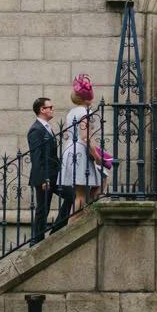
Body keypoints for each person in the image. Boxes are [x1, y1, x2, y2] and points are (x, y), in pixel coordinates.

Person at [60, 74, 106, 213]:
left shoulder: (71, 112)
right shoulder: (86, 112)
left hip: (70, 149)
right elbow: (85, 137)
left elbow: (66, 134)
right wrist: (97, 157)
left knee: (95, 183)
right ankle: (73, 224)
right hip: (80, 151)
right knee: (82, 193)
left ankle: (88, 214)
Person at [28, 96, 64, 244]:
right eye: (50, 107)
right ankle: (37, 241)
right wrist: (43, 179)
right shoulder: (36, 129)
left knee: (71, 196)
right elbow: (36, 157)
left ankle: (56, 230)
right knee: (43, 209)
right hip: (44, 176)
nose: (53, 109)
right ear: (42, 110)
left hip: (54, 174)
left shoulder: (47, 127)